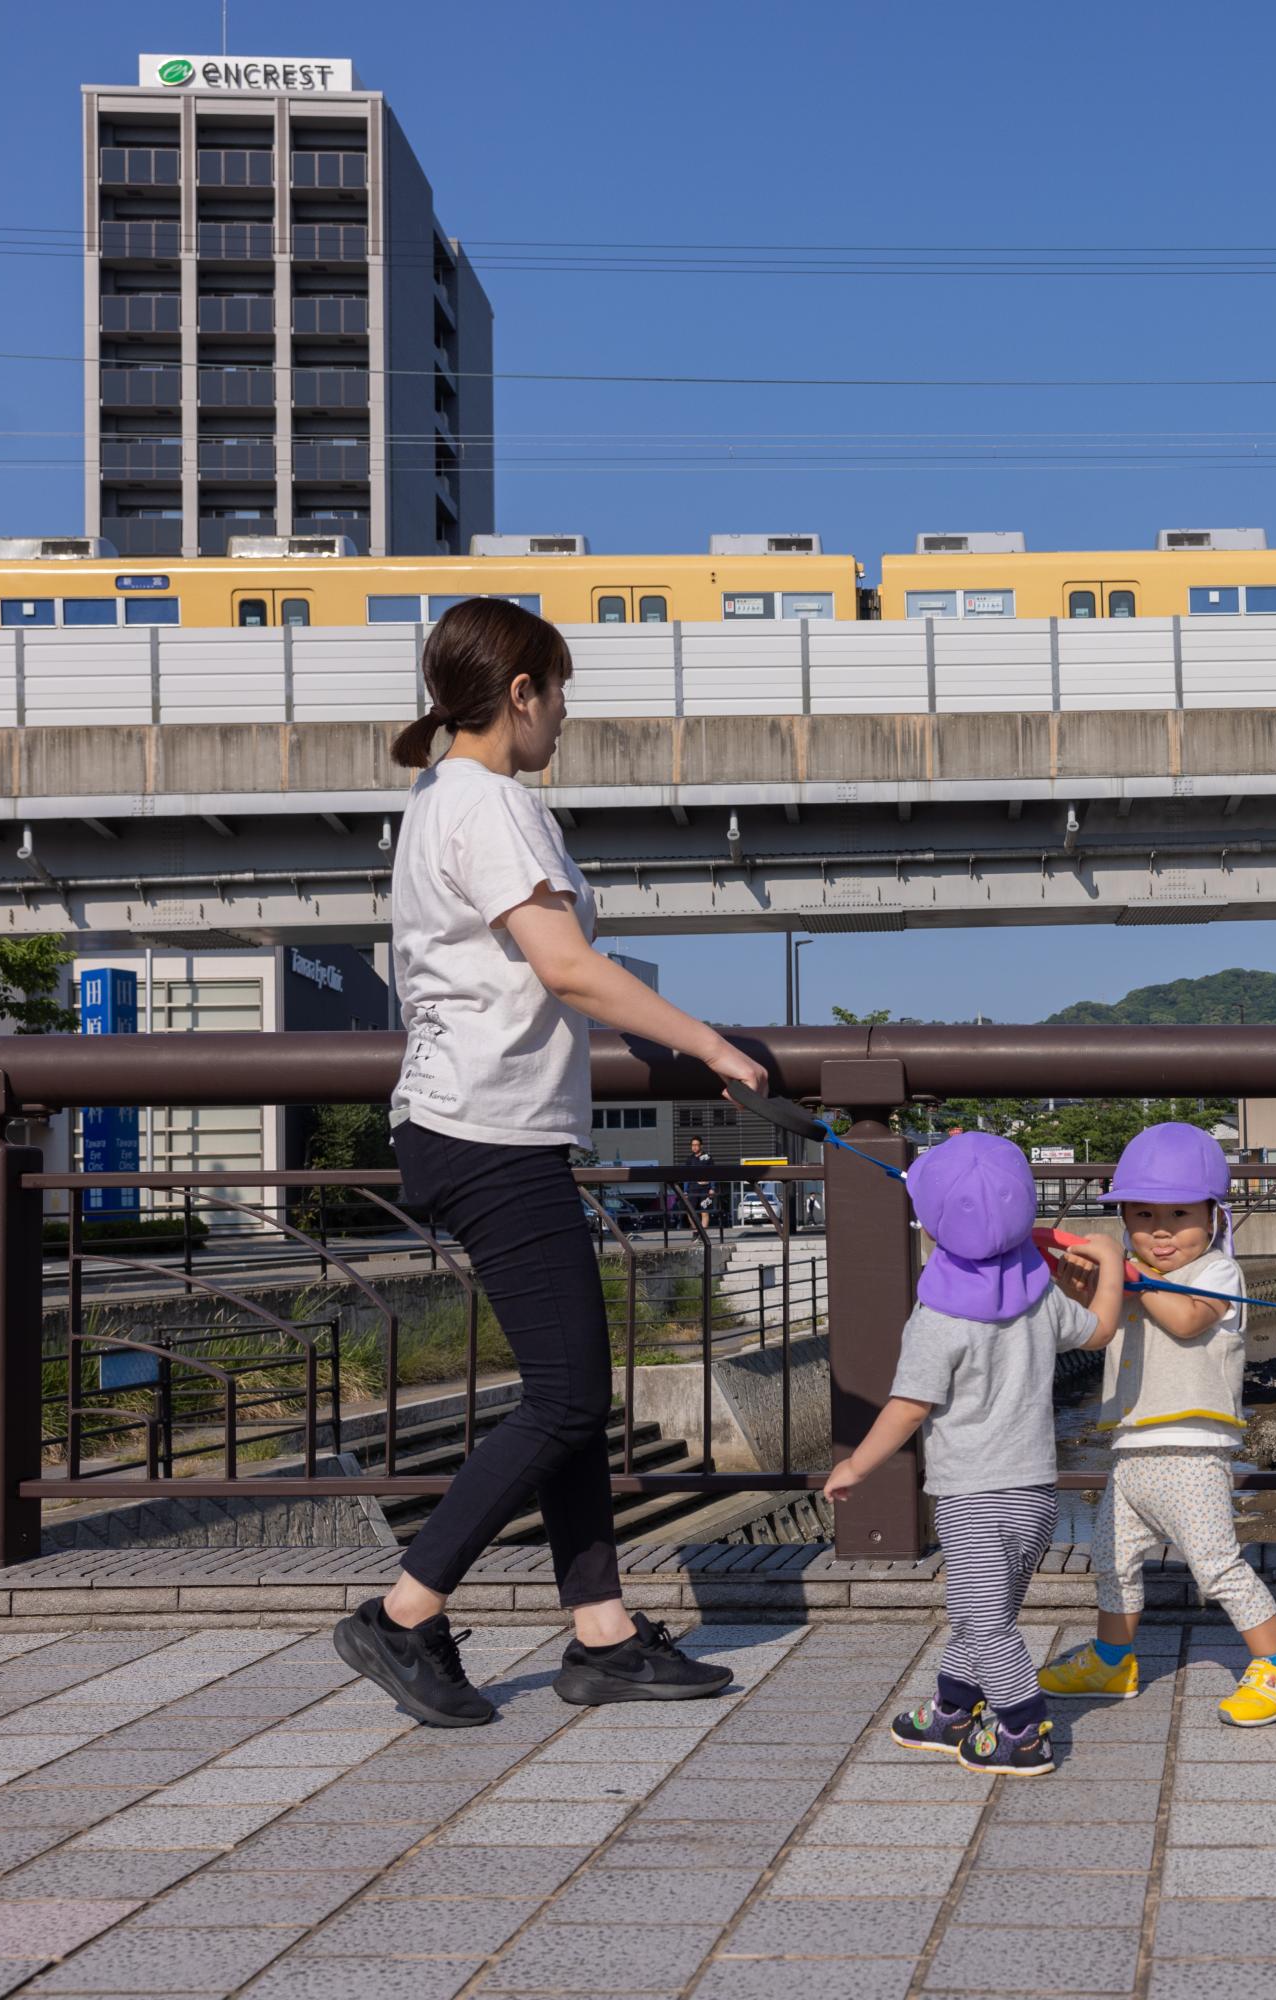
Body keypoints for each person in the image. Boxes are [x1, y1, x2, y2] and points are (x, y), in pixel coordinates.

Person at [334, 599, 757, 1728]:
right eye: (559, 691)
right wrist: (711, 1044)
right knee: (569, 1394)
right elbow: (567, 967)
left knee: (572, 1389)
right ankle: (404, 1611)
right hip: (488, 1129)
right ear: (520, 692)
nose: (566, 714)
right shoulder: (492, 803)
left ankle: (602, 1634)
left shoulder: (441, 800)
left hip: (472, 1121)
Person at [825, 1132, 1123, 1777]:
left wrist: (856, 1465)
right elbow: (1100, 1331)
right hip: (1035, 1496)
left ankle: (1023, 1728)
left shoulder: (936, 1320)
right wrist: (1109, 1259)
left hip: (972, 1501)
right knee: (980, 1613)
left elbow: (908, 1407)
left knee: (985, 1624)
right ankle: (953, 1709)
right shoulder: (1040, 1297)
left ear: (932, 1226)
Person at [1040, 1123, 1276, 1727]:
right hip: (1132, 1447)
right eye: (1142, 1215)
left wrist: (1128, 1277)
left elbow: (1189, 1320)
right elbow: (1088, 1328)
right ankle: (1112, 1659)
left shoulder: (1217, 1272)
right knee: (1111, 1560)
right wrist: (1083, 1287)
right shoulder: (1131, 1275)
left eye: (1179, 1214)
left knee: (1215, 1564)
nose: (1160, 1230)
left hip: (1192, 1447)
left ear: (1214, 1217)